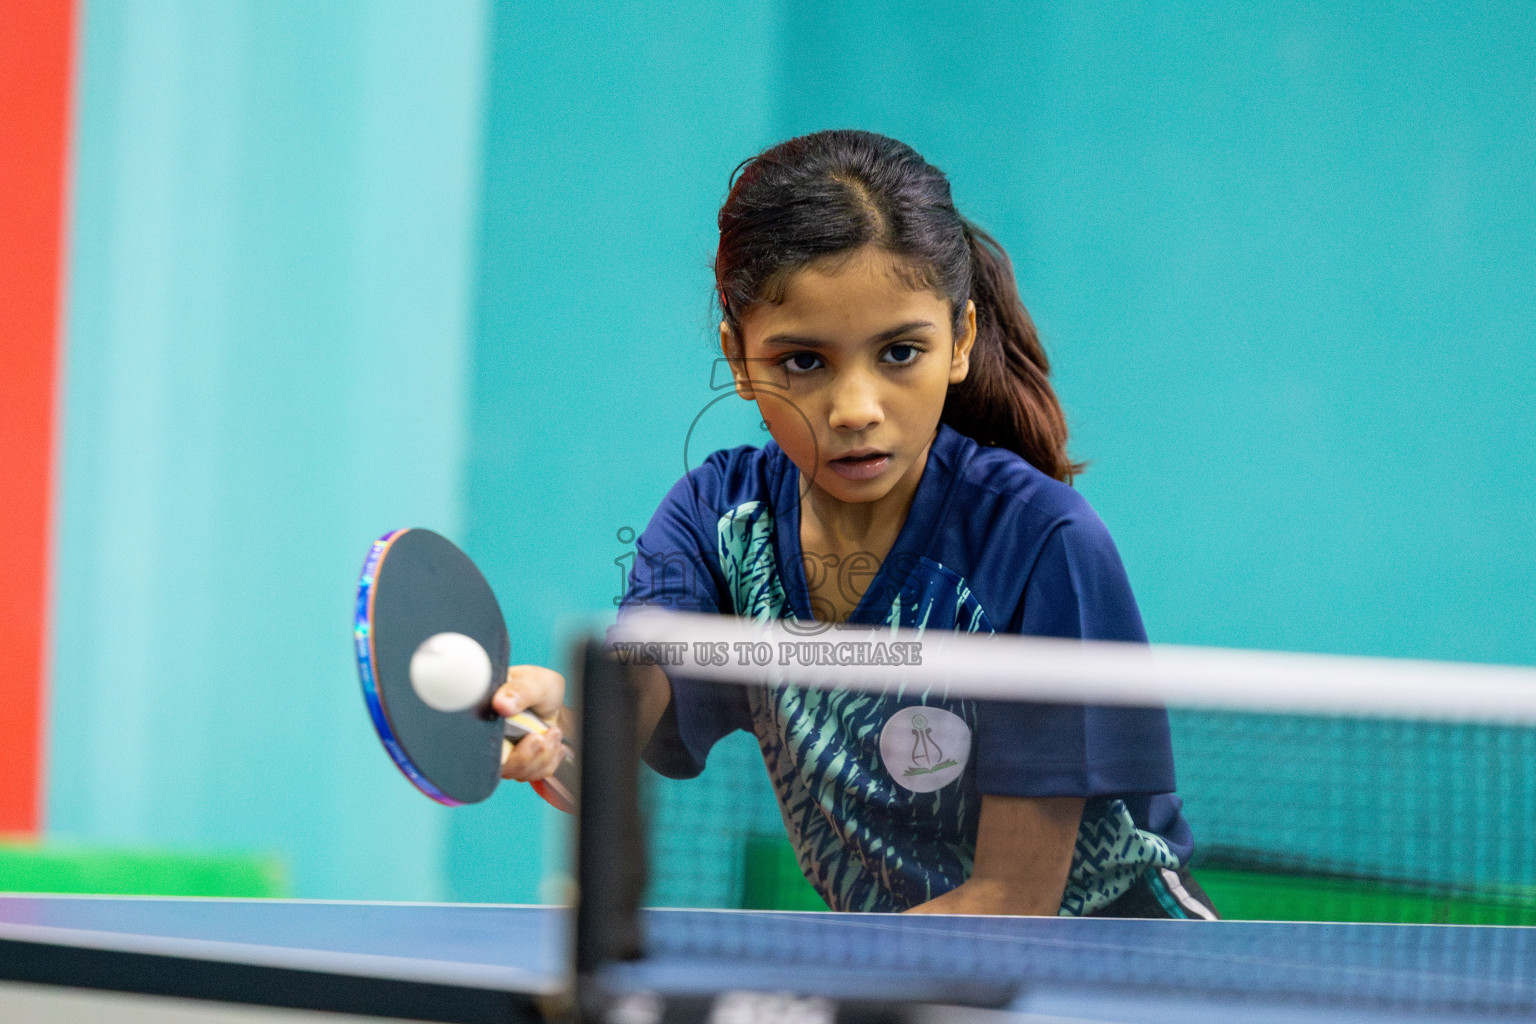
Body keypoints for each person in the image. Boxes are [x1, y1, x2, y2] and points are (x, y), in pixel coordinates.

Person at [495, 130, 1215, 919]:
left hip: (1110, 972)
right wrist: (559, 732)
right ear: (738, 358)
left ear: (961, 340)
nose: (855, 410)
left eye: (900, 352)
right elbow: (624, 716)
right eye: (803, 361)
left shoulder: (1042, 543)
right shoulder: (717, 523)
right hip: (906, 978)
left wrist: (807, 993)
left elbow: (1012, 905)